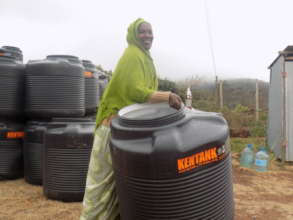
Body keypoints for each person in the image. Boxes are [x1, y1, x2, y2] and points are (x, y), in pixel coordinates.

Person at [80, 18, 182, 220]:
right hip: (111, 126)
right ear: (134, 35)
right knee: (101, 186)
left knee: (120, 185)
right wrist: (166, 96)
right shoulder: (132, 56)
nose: (147, 36)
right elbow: (135, 91)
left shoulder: (145, 58)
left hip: (126, 129)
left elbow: (146, 92)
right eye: (142, 32)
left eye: (150, 32)